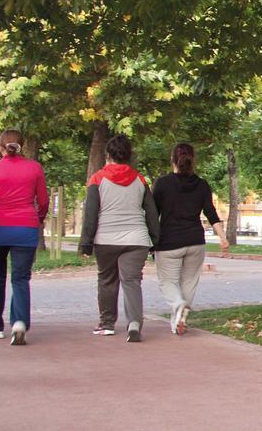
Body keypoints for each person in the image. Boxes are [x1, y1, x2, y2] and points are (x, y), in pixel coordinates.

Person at [79, 134, 158, 343]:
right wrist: (155, 240)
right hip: (137, 239)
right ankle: (134, 323)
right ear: (129, 155)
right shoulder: (141, 180)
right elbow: (151, 212)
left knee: (107, 280)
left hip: (106, 238)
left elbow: (91, 213)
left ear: (107, 155)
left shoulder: (97, 179)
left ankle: (106, 324)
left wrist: (86, 243)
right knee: (132, 281)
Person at [0, 129, 49, 345]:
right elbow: (42, 200)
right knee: (21, 278)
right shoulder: (34, 168)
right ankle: (19, 322)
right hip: (25, 228)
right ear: (22, 146)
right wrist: (39, 218)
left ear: (0, 147)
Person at [153, 143, 229, 335]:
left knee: (167, 282)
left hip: (169, 242)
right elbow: (211, 214)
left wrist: (150, 241)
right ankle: (178, 319)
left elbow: (152, 215)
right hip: (195, 241)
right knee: (188, 281)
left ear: (172, 159)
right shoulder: (202, 185)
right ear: (192, 160)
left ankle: (178, 305)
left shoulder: (162, 184)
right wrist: (223, 238)